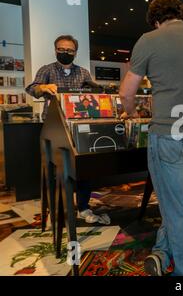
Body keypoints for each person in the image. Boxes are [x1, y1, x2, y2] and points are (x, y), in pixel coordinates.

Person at [119, 0, 183, 276]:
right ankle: (162, 254)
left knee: (174, 208)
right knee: (181, 198)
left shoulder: (149, 40)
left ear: (156, 20)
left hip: (168, 136)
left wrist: (131, 113)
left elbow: (127, 93)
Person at [25, 35, 109, 225]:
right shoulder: (46, 70)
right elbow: (31, 88)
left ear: (75, 52)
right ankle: (56, 209)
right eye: (62, 49)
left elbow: (93, 91)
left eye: (70, 50)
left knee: (83, 168)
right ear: (55, 50)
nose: (65, 52)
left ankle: (83, 207)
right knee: (57, 170)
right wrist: (44, 87)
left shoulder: (83, 73)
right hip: (54, 127)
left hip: (78, 127)